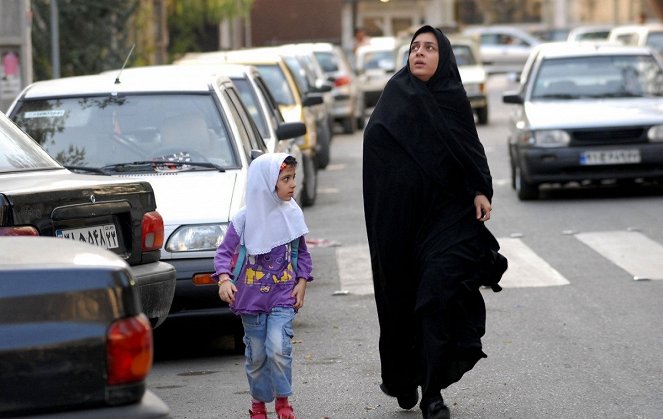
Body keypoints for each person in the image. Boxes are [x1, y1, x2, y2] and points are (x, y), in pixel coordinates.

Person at [362, 25, 506, 419]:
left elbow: (468, 148)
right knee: (401, 301)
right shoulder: (396, 96)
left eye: (429, 47)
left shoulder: (453, 98)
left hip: (448, 219)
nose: (420, 53)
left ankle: (434, 393)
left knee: (437, 297)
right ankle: (403, 378)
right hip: (401, 222)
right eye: (415, 47)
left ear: (443, 57)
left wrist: (479, 189)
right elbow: (375, 148)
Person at [214, 153, 313, 419]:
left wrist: (302, 282)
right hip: (250, 301)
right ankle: (258, 403)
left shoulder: (292, 214)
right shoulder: (244, 219)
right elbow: (224, 252)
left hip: (282, 297)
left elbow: (302, 254)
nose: (292, 184)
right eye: (285, 179)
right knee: (257, 355)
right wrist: (224, 279)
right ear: (266, 183)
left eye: (293, 178)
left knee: (278, 348)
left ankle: (283, 400)